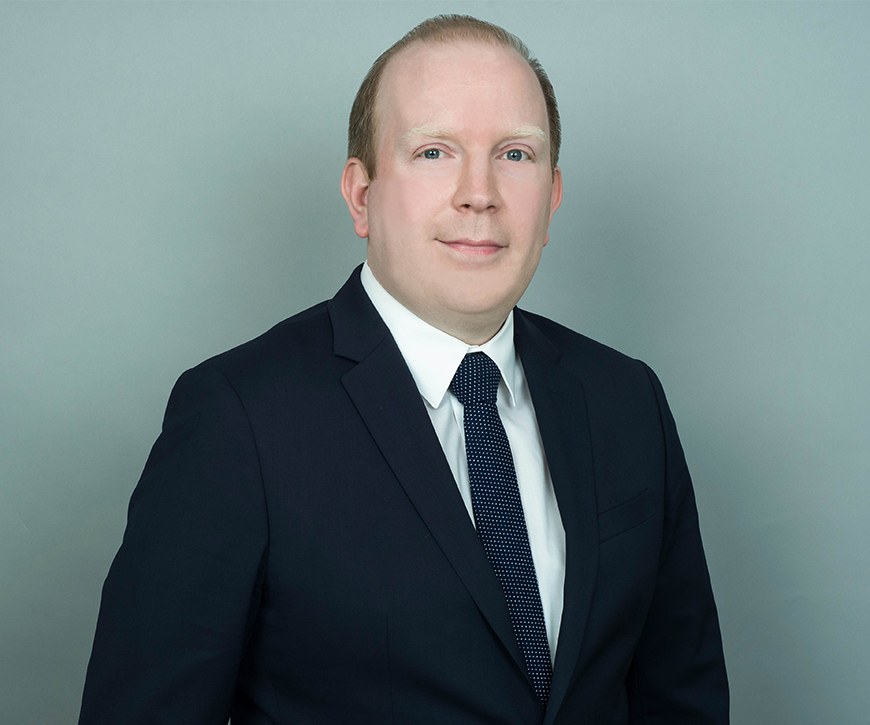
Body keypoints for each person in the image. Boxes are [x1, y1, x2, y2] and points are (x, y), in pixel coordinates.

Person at [79, 14, 728, 724]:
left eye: (515, 154)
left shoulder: (626, 400)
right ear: (361, 195)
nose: (479, 192)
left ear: (552, 196)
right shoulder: (240, 420)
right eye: (434, 152)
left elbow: (682, 700)